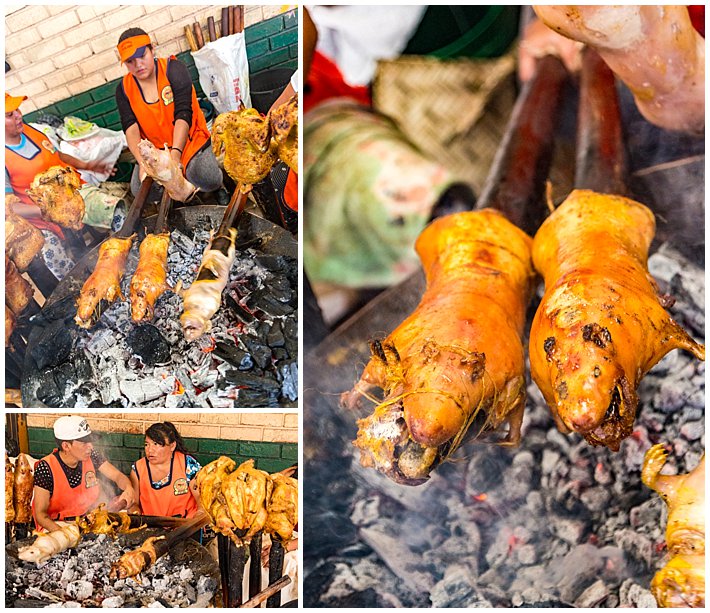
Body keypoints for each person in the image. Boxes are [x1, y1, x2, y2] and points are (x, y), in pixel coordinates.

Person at [5, 93, 126, 279]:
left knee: (115, 209)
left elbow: (59, 156)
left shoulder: (32, 131)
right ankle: (79, 286)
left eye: (17, 110)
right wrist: (45, 211)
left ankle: (128, 259)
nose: (18, 115)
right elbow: (9, 206)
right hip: (40, 216)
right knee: (53, 258)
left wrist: (90, 166)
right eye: (9, 115)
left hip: (72, 194)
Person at [115, 28, 226, 204]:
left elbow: (184, 112)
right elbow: (130, 127)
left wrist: (175, 156)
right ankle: (176, 198)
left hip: (189, 140)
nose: (138, 65)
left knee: (204, 176)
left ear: (152, 49)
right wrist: (144, 163)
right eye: (130, 61)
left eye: (142, 56)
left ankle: (219, 187)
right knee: (140, 190)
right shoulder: (123, 89)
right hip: (155, 149)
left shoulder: (174, 69)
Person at [32, 416, 136, 532]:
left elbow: (117, 476)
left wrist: (128, 488)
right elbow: (41, 515)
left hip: (87, 519)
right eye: (84, 443)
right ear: (66, 446)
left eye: (90, 441)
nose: (90, 447)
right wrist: (65, 534)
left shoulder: (92, 456)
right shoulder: (45, 467)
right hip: (56, 525)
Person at [129, 422, 202, 518]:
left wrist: (199, 517)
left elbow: (202, 500)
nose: (150, 450)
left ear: (172, 446)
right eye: (147, 444)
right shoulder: (138, 469)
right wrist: (134, 513)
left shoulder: (188, 464)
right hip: (151, 528)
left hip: (186, 527)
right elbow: (134, 504)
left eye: (156, 444)